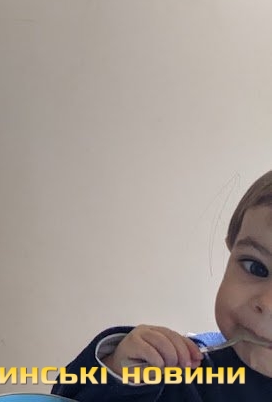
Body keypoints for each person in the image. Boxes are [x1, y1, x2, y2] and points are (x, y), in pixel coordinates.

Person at [52, 169, 272, 401]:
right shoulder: (185, 373)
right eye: (256, 267)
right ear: (231, 248)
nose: (267, 304)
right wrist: (118, 374)